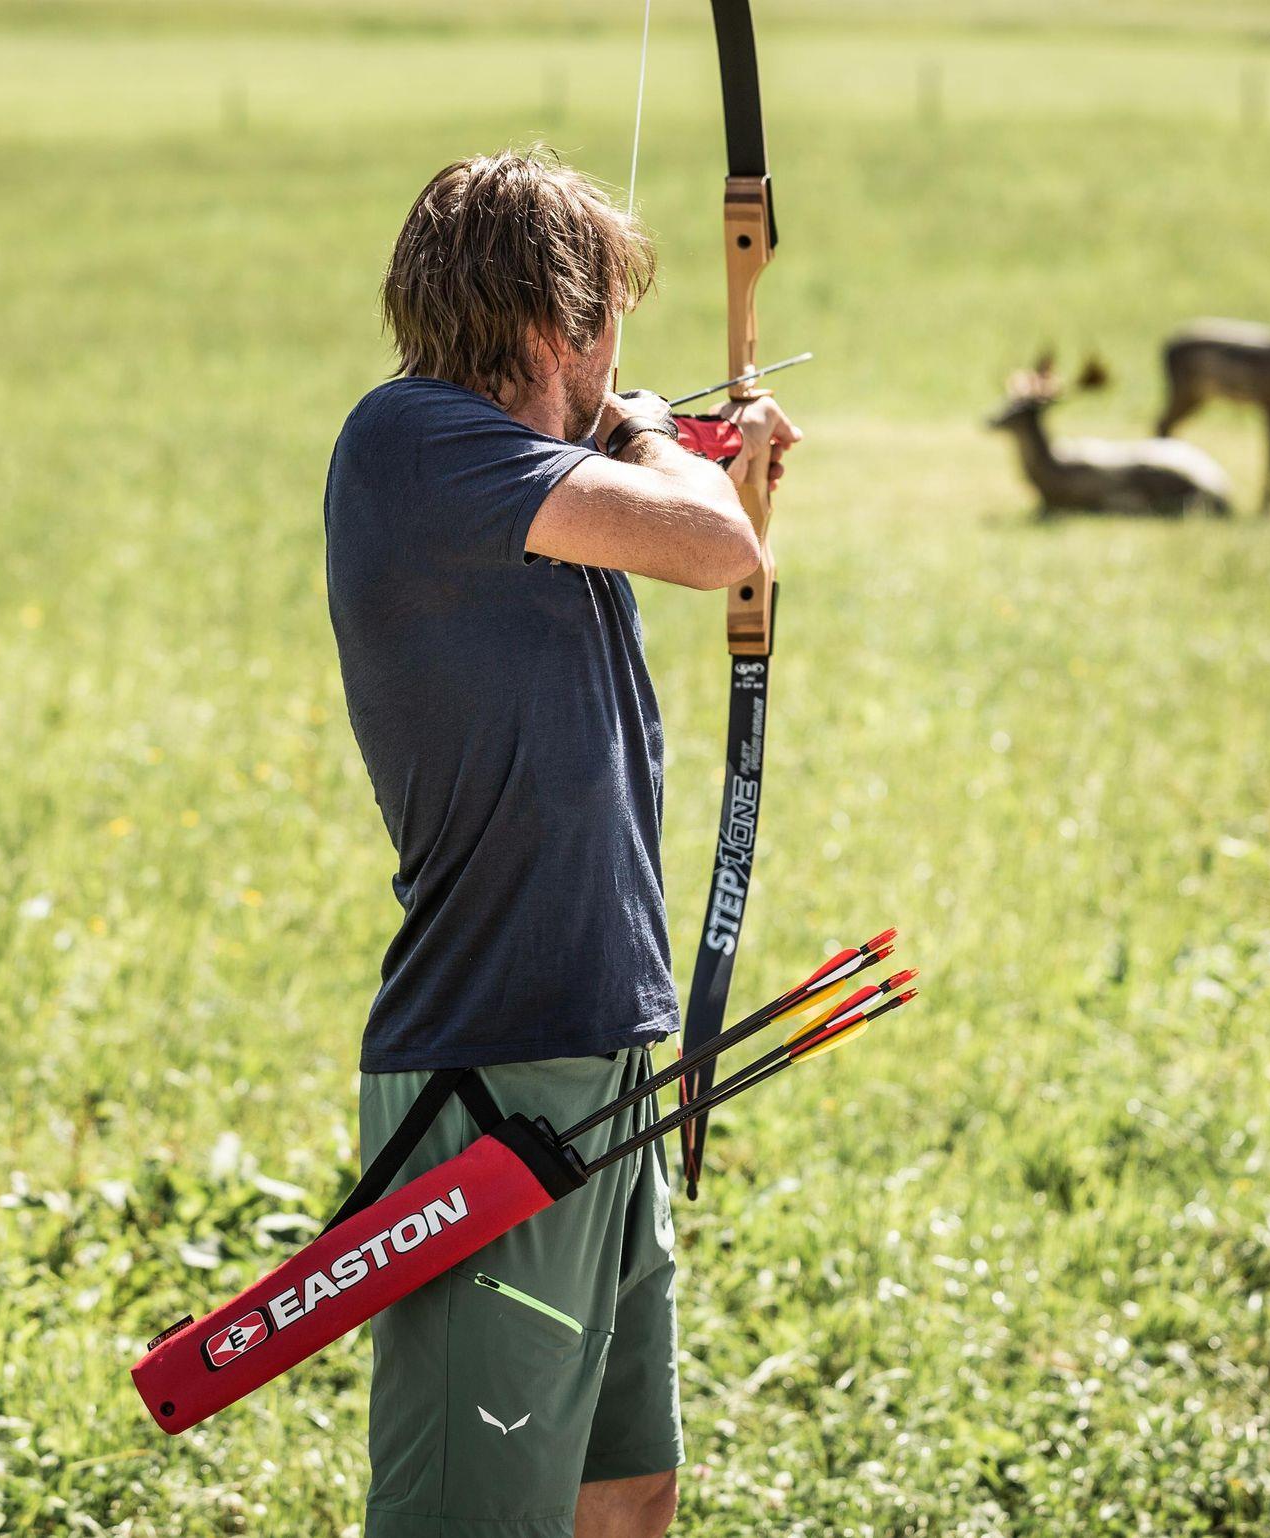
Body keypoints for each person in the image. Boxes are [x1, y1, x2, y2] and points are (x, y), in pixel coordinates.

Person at [323, 147, 800, 1538]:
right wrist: (659, 440)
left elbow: (723, 545)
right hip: (492, 1077)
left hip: (601, 1052)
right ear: (560, 323)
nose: (618, 360)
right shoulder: (412, 440)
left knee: (625, 1489)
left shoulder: (529, 485)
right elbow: (714, 548)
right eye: (612, 324)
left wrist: (732, 472)